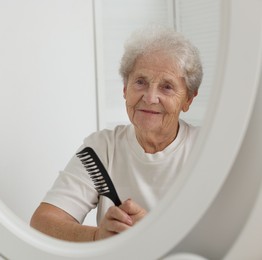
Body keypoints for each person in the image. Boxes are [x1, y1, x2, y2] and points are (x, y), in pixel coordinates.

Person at [30, 26, 203, 242]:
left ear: (188, 100)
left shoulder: (207, 149)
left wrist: (152, 234)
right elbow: (42, 223)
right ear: (125, 88)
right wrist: (98, 236)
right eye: (140, 82)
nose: (150, 98)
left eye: (167, 87)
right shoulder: (102, 147)